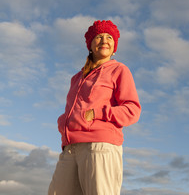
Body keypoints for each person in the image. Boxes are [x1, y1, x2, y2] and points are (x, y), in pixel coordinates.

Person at [48, 20, 141, 195]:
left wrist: (96, 113)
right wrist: (63, 122)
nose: (104, 40)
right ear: (90, 45)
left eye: (109, 37)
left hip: (99, 146)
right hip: (70, 148)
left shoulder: (119, 70)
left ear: (114, 47)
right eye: (98, 37)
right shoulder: (76, 77)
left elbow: (132, 110)